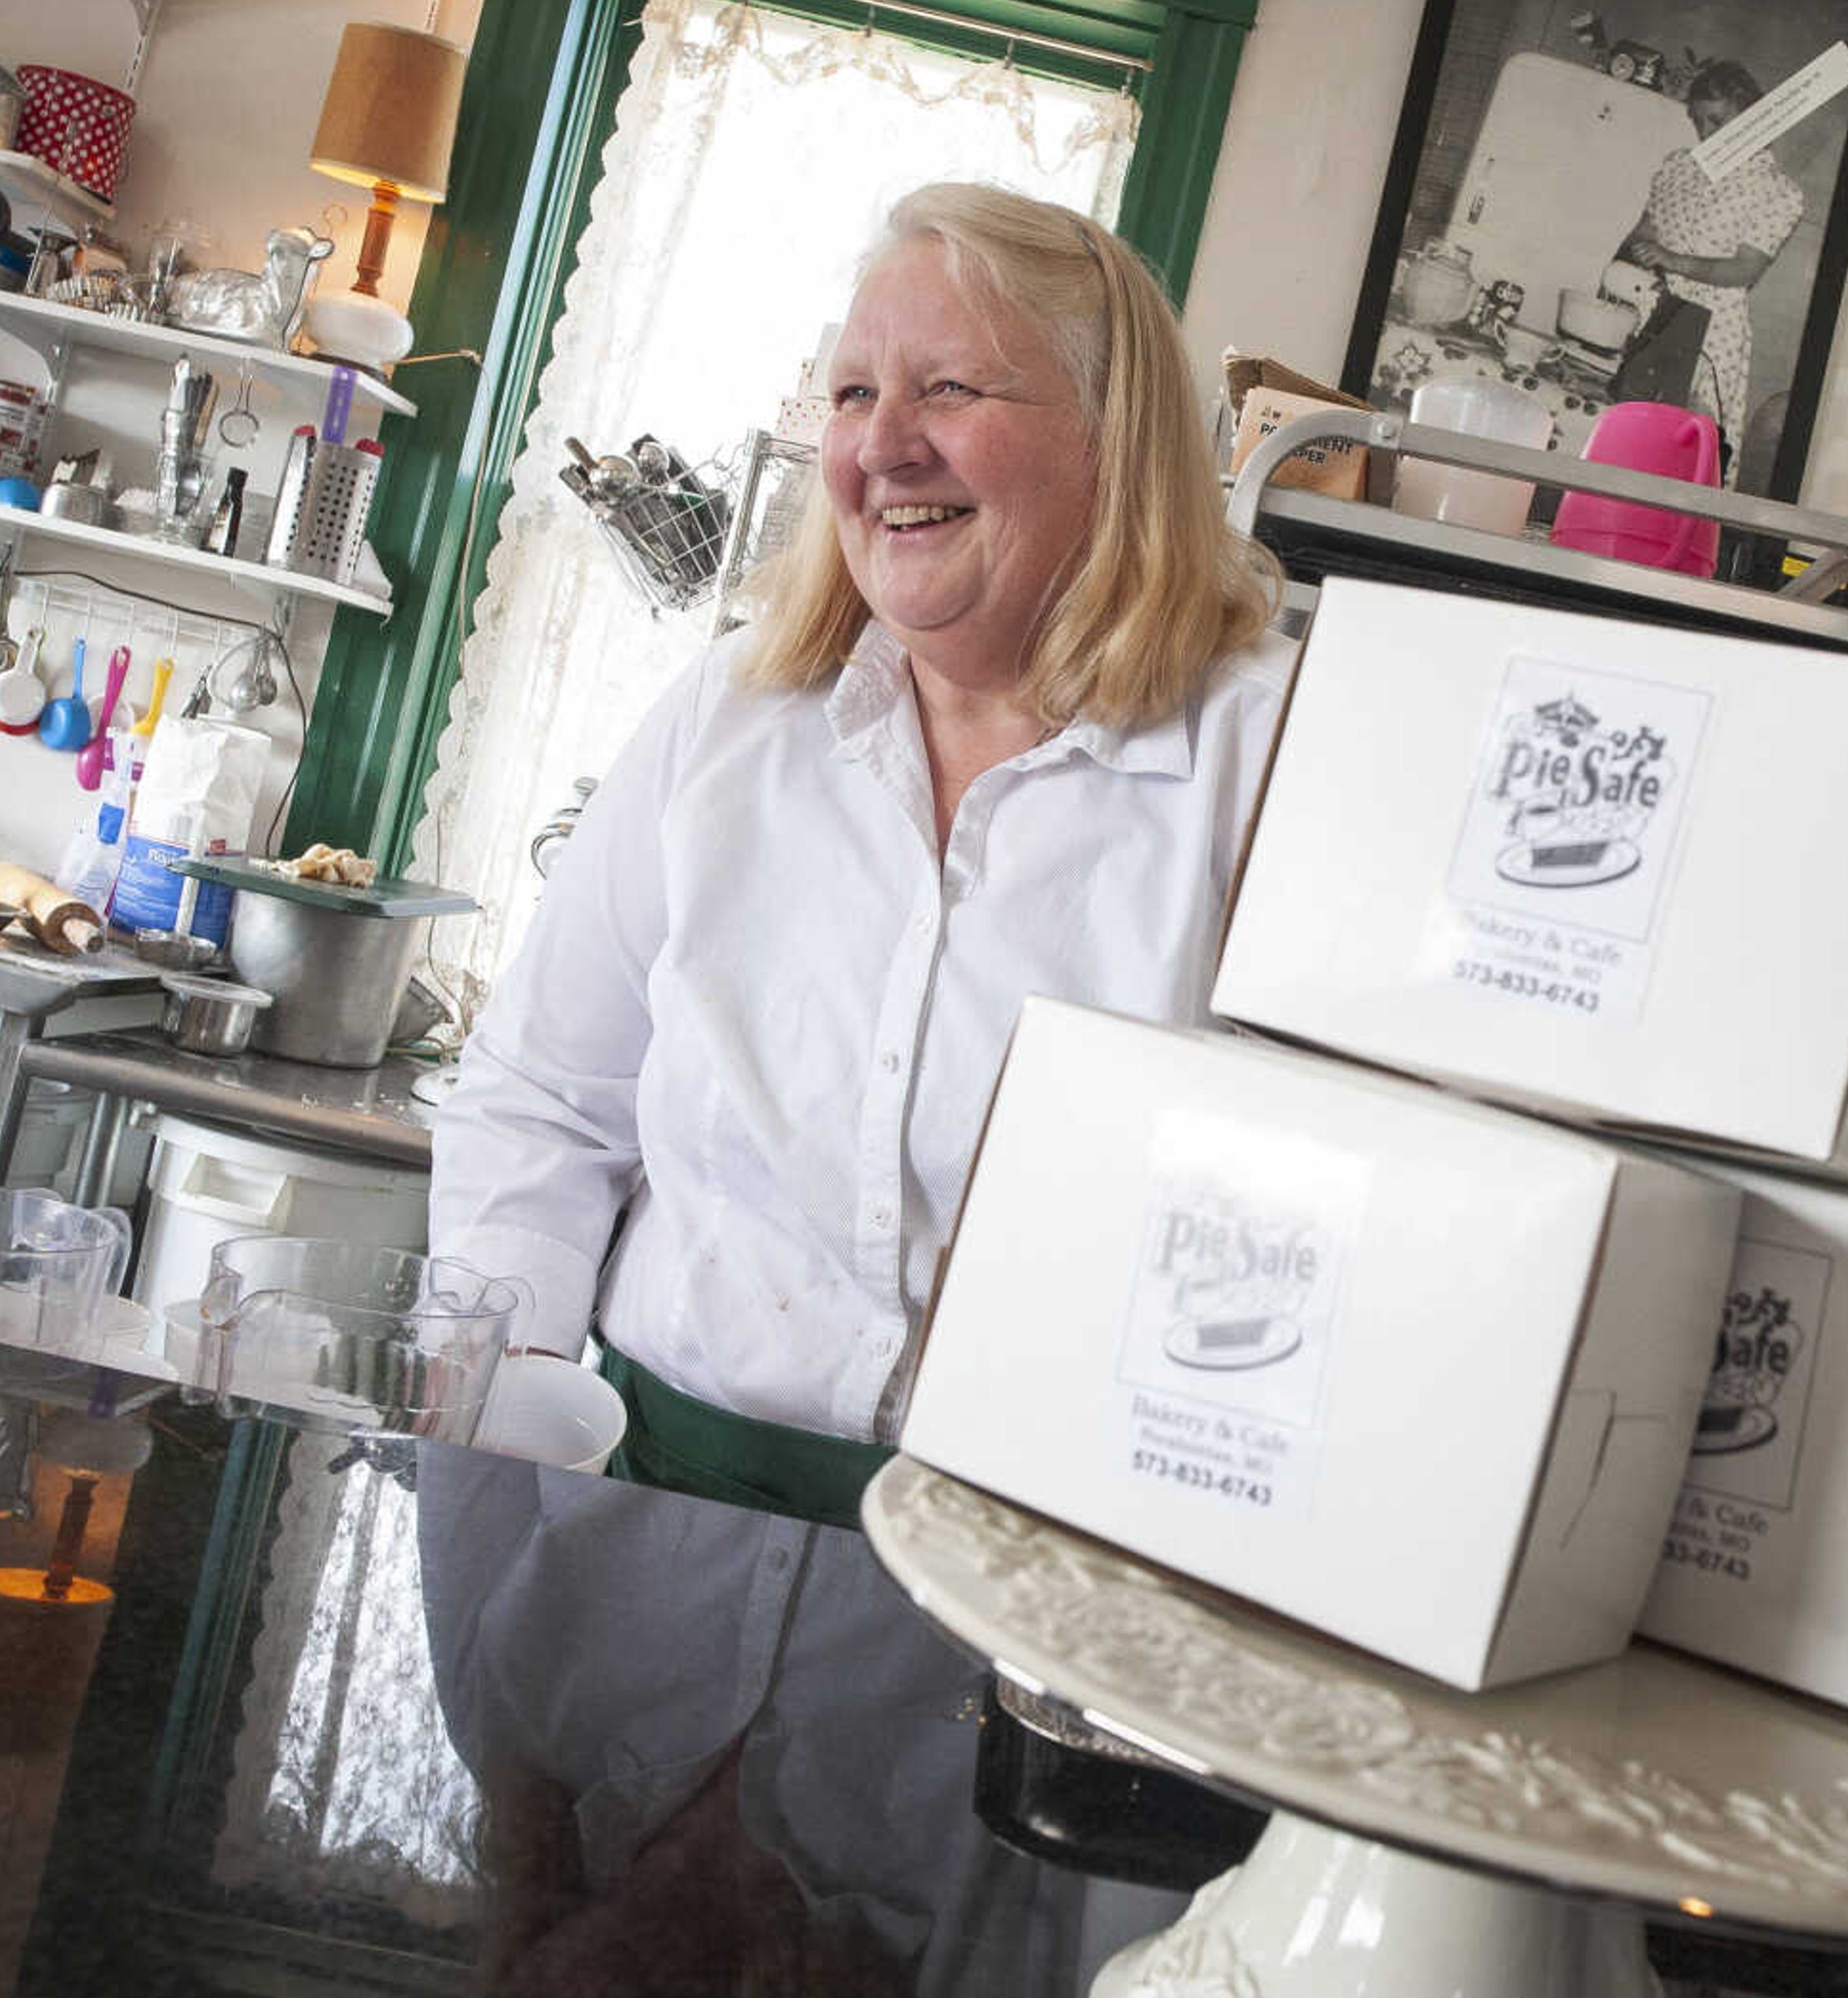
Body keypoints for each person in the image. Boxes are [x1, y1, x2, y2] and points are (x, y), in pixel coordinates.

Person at [429, 181, 1285, 1525]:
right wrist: (515, 1395)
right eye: (848, 396)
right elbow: (543, 1096)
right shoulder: (732, 713)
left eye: (949, 389)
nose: (882, 448)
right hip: (657, 1502)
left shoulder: (1270, 760)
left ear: (1113, 440)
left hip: (1054, 1570)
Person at [1617, 59, 1803, 484]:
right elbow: (1644, 230)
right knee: (1634, 439)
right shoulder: (1679, 165)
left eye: (1718, 120)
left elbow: (1744, 269)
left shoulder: (1779, 192)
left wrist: (1672, 260)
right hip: (1655, 311)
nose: (1707, 133)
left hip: (1714, 328)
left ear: (1752, 118)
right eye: (1699, 121)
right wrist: (1624, 270)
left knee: (1688, 459)